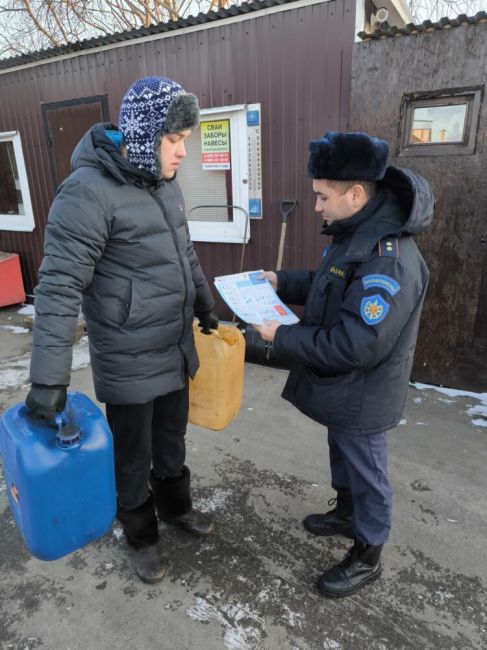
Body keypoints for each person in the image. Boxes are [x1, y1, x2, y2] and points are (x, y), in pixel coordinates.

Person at [26, 76, 219, 584]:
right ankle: (140, 535)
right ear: (143, 135)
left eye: (186, 141)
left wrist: (205, 305)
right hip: (129, 355)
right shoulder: (87, 193)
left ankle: (176, 508)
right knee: (132, 455)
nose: (182, 152)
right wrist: (49, 379)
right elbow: (59, 285)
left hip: (173, 346)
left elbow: (184, 254)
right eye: (174, 140)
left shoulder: (165, 183)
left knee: (172, 437)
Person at [254, 131, 434, 598]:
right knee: (343, 453)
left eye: (322, 196)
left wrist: (283, 336)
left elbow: (356, 343)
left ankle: (368, 553)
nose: (315, 206)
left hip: (364, 390)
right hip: (344, 388)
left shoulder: (387, 259)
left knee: (367, 468)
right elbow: (328, 283)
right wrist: (281, 281)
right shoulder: (356, 234)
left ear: (356, 194)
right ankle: (347, 511)